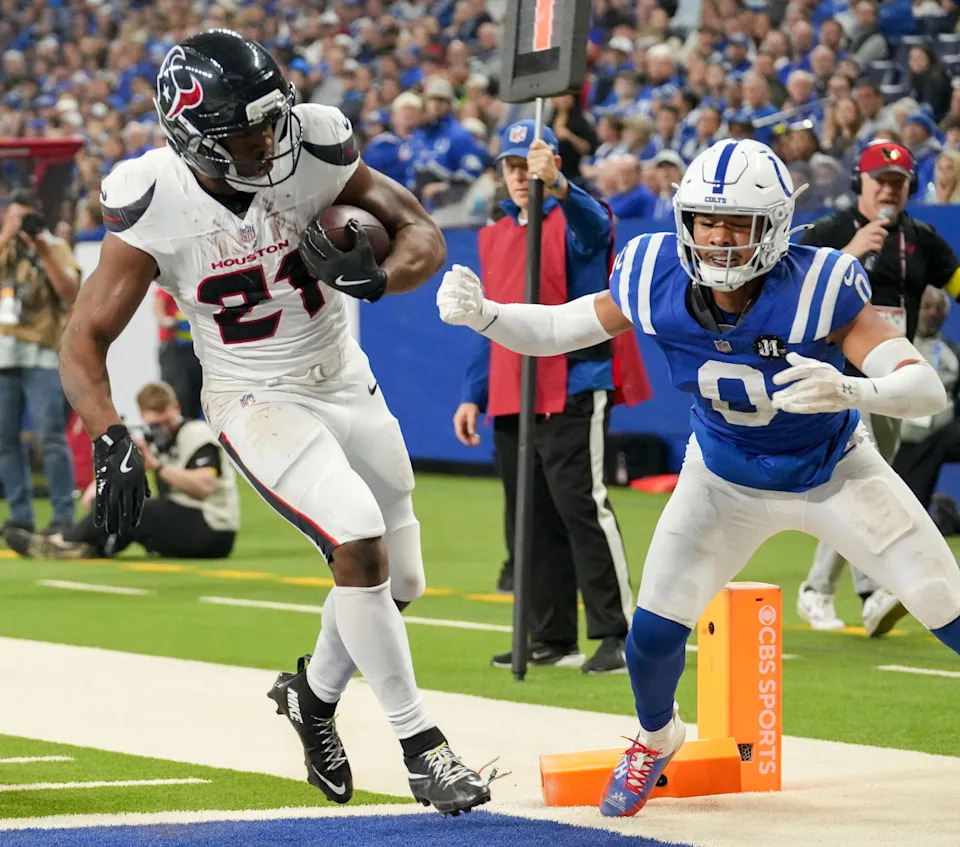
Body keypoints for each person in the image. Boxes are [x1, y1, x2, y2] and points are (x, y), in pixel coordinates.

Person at [438, 138, 960, 818]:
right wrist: (487, 316)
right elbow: (565, 325)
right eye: (706, 220)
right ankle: (657, 737)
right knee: (651, 635)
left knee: (944, 604)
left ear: (772, 225)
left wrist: (855, 391)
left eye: (736, 222)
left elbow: (925, 390)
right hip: (722, 477)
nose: (716, 238)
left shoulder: (818, 284)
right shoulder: (654, 270)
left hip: (833, 471)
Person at [57, 30, 490, 816]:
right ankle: (422, 747)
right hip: (254, 396)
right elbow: (83, 336)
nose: (271, 142)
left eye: (273, 120)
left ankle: (311, 694)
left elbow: (421, 230)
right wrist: (110, 435)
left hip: (345, 381)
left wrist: (382, 275)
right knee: (357, 538)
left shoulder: (317, 147)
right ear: (192, 136)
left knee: (403, 583)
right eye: (248, 133)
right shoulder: (153, 199)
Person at [454, 121, 648, 674]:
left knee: (583, 509)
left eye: (529, 165)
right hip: (514, 392)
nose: (521, 176)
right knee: (528, 519)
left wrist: (559, 186)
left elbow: (598, 227)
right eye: (512, 166)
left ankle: (618, 633)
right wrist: (474, 393)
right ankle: (551, 635)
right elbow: (488, 320)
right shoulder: (494, 235)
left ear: (551, 164)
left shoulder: (573, 219)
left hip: (573, 387)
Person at [795, 140, 960, 635]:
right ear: (859, 182)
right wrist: (846, 255)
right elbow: (791, 290)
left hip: (893, 378)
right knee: (865, 478)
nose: (889, 189)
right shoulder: (830, 229)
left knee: (871, 477)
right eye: (880, 180)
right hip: (838, 378)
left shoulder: (922, 238)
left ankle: (851, 590)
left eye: (899, 182)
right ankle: (848, 588)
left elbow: (955, 283)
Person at [6, 380, 239, 559]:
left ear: (175, 408)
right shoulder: (155, 442)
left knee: (136, 508)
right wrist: (99, 490)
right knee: (122, 505)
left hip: (212, 527)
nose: (160, 429)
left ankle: (61, 541)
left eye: (164, 422)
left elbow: (204, 486)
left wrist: (156, 466)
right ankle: (87, 547)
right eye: (154, 424)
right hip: (188, 525)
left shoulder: (196, 433)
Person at [0, 189, 80, 535]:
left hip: (43, 353)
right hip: (3, 353)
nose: (21, 225)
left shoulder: (55, 247)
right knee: (4, 440)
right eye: (15, 217)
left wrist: (43, 250)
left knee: (51, 436)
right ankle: (20, 516)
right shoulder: (3, 248)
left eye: (26, 218)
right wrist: (6, 238)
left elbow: (70, 293)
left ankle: (63, 515)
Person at [892, 287, 960, 511]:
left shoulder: (952, 352)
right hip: (898, 432)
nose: (932, 313)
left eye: (938, 308)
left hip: (939, 433)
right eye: (926, 307)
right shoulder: (893, 344)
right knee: (903, 506)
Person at [154, 288, 202, 420]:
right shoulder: (172, 283)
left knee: (199, 393)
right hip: (174, 349)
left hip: (196, 349)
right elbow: (158, 304)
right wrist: (164, 319)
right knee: (180, 394)